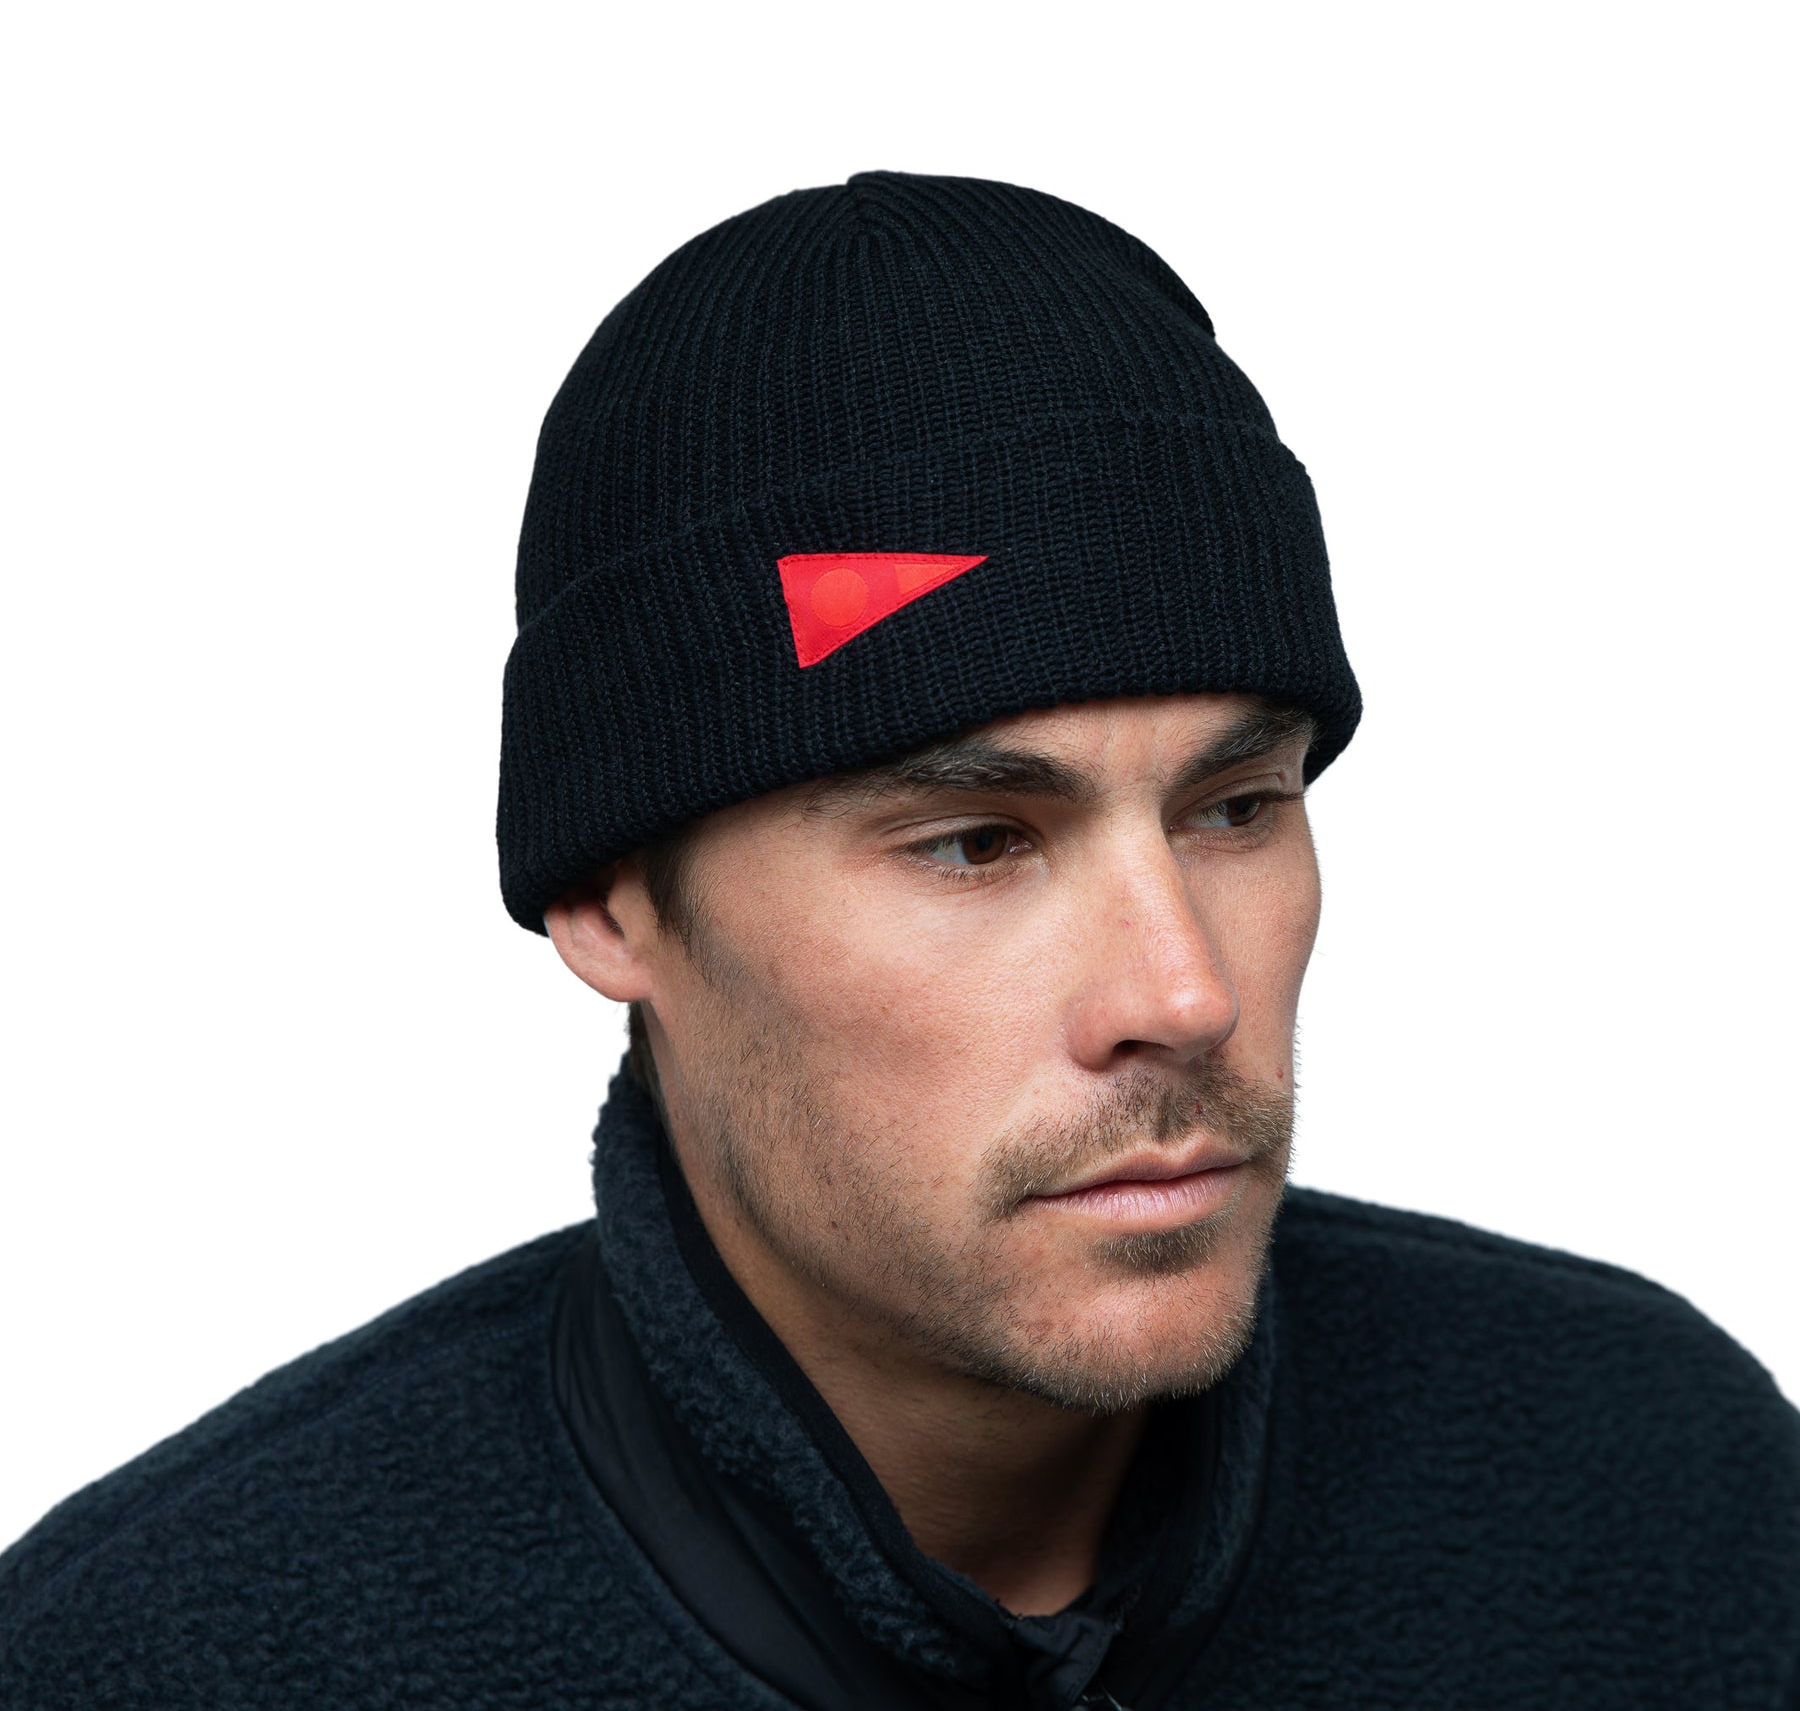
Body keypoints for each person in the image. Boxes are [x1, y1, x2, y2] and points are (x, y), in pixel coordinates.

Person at [3, 172, 1795, 1710]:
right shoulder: (166, 1660)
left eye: (1236, 807)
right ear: (612, 900)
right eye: (975, 843)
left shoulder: (1657, 1491)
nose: (1182, 992)